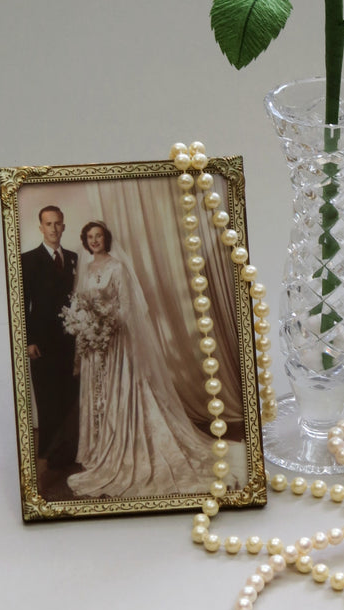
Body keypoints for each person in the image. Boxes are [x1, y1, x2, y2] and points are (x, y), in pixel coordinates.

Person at [65, 221, 220, 498]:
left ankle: (122, 442)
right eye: (90, 237)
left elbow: (126, 305)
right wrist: (86, 326)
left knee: (120, 390)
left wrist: (107, 325)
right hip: (93, 343)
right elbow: (79, 302)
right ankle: (99, 446)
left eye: (98, 236)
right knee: (97, 391)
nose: (95, 241)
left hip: (115, 340)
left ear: (106, 238)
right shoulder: (86, 269)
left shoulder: (117, 267)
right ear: (85, 241)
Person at [21, 205, 79, 467]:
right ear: (41, 227)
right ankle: (47, 454)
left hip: (71, 340)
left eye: (58, 223)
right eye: (48, 224)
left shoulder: (74, 257)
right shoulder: (27, 259)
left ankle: (69, 452)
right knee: (46, 398)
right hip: (41, 341)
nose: (54, 229)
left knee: (69, 395)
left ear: (64, 226)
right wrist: (29, 340)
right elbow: (22, 303)